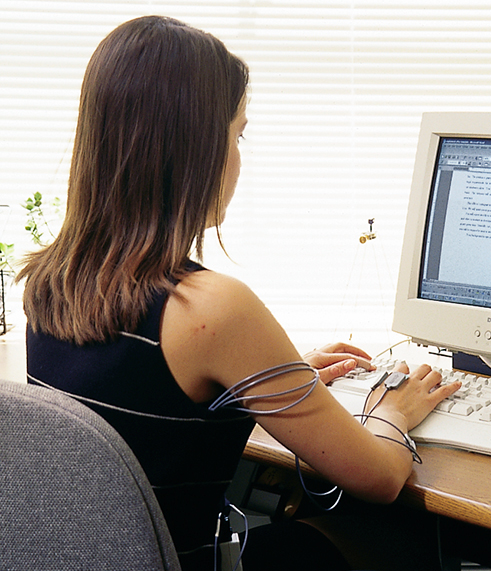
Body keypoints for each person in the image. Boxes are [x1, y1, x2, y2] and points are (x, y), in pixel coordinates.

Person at [18, 15, 460, 571]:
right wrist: (391, 412)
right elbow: (380, 478)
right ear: (194, 150)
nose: (238, 158)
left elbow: (148, 397)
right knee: (410, 537)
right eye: (238, 133)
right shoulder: (210, 307)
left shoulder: (51, 280)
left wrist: (279, 376)